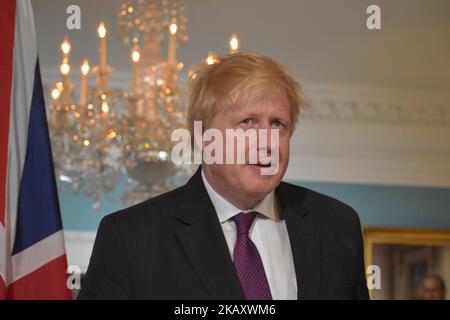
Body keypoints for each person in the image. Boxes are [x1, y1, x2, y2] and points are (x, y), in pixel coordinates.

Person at [78, 53, 369, 300]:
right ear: (204, 138)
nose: (267, 142)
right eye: (248, 122)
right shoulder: (131, 239)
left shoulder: (336, 226)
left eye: (278, 124)